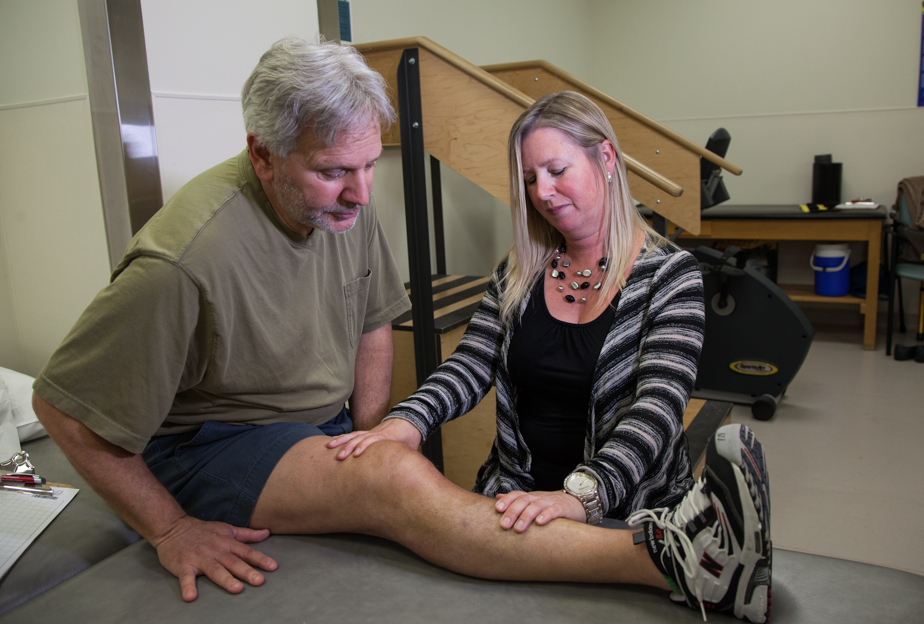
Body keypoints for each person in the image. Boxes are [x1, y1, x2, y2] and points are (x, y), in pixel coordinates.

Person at [32, 38, 771, 623]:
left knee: (391, 480)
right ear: (263, 153)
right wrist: (170, 529)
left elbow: (375, 321)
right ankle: (675, 560)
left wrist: (372, 428)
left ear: (607, 162)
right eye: (333, 171)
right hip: (216, 442)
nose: (359, 192)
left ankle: (664, 540)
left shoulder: (666, 276)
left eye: (367, 165)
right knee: (394, 481)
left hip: (570, 483)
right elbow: (61, 405)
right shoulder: (181, 261)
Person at [331, 91, 704, 534]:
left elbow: (657, 409)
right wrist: (407, 421)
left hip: (632, 515)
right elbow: (470, 366)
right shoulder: (520, 270)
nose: (542, 192)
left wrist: (582, 495)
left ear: (605, 156)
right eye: (530, 178)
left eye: (557, 170)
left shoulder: (672, 278)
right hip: (517, 503)